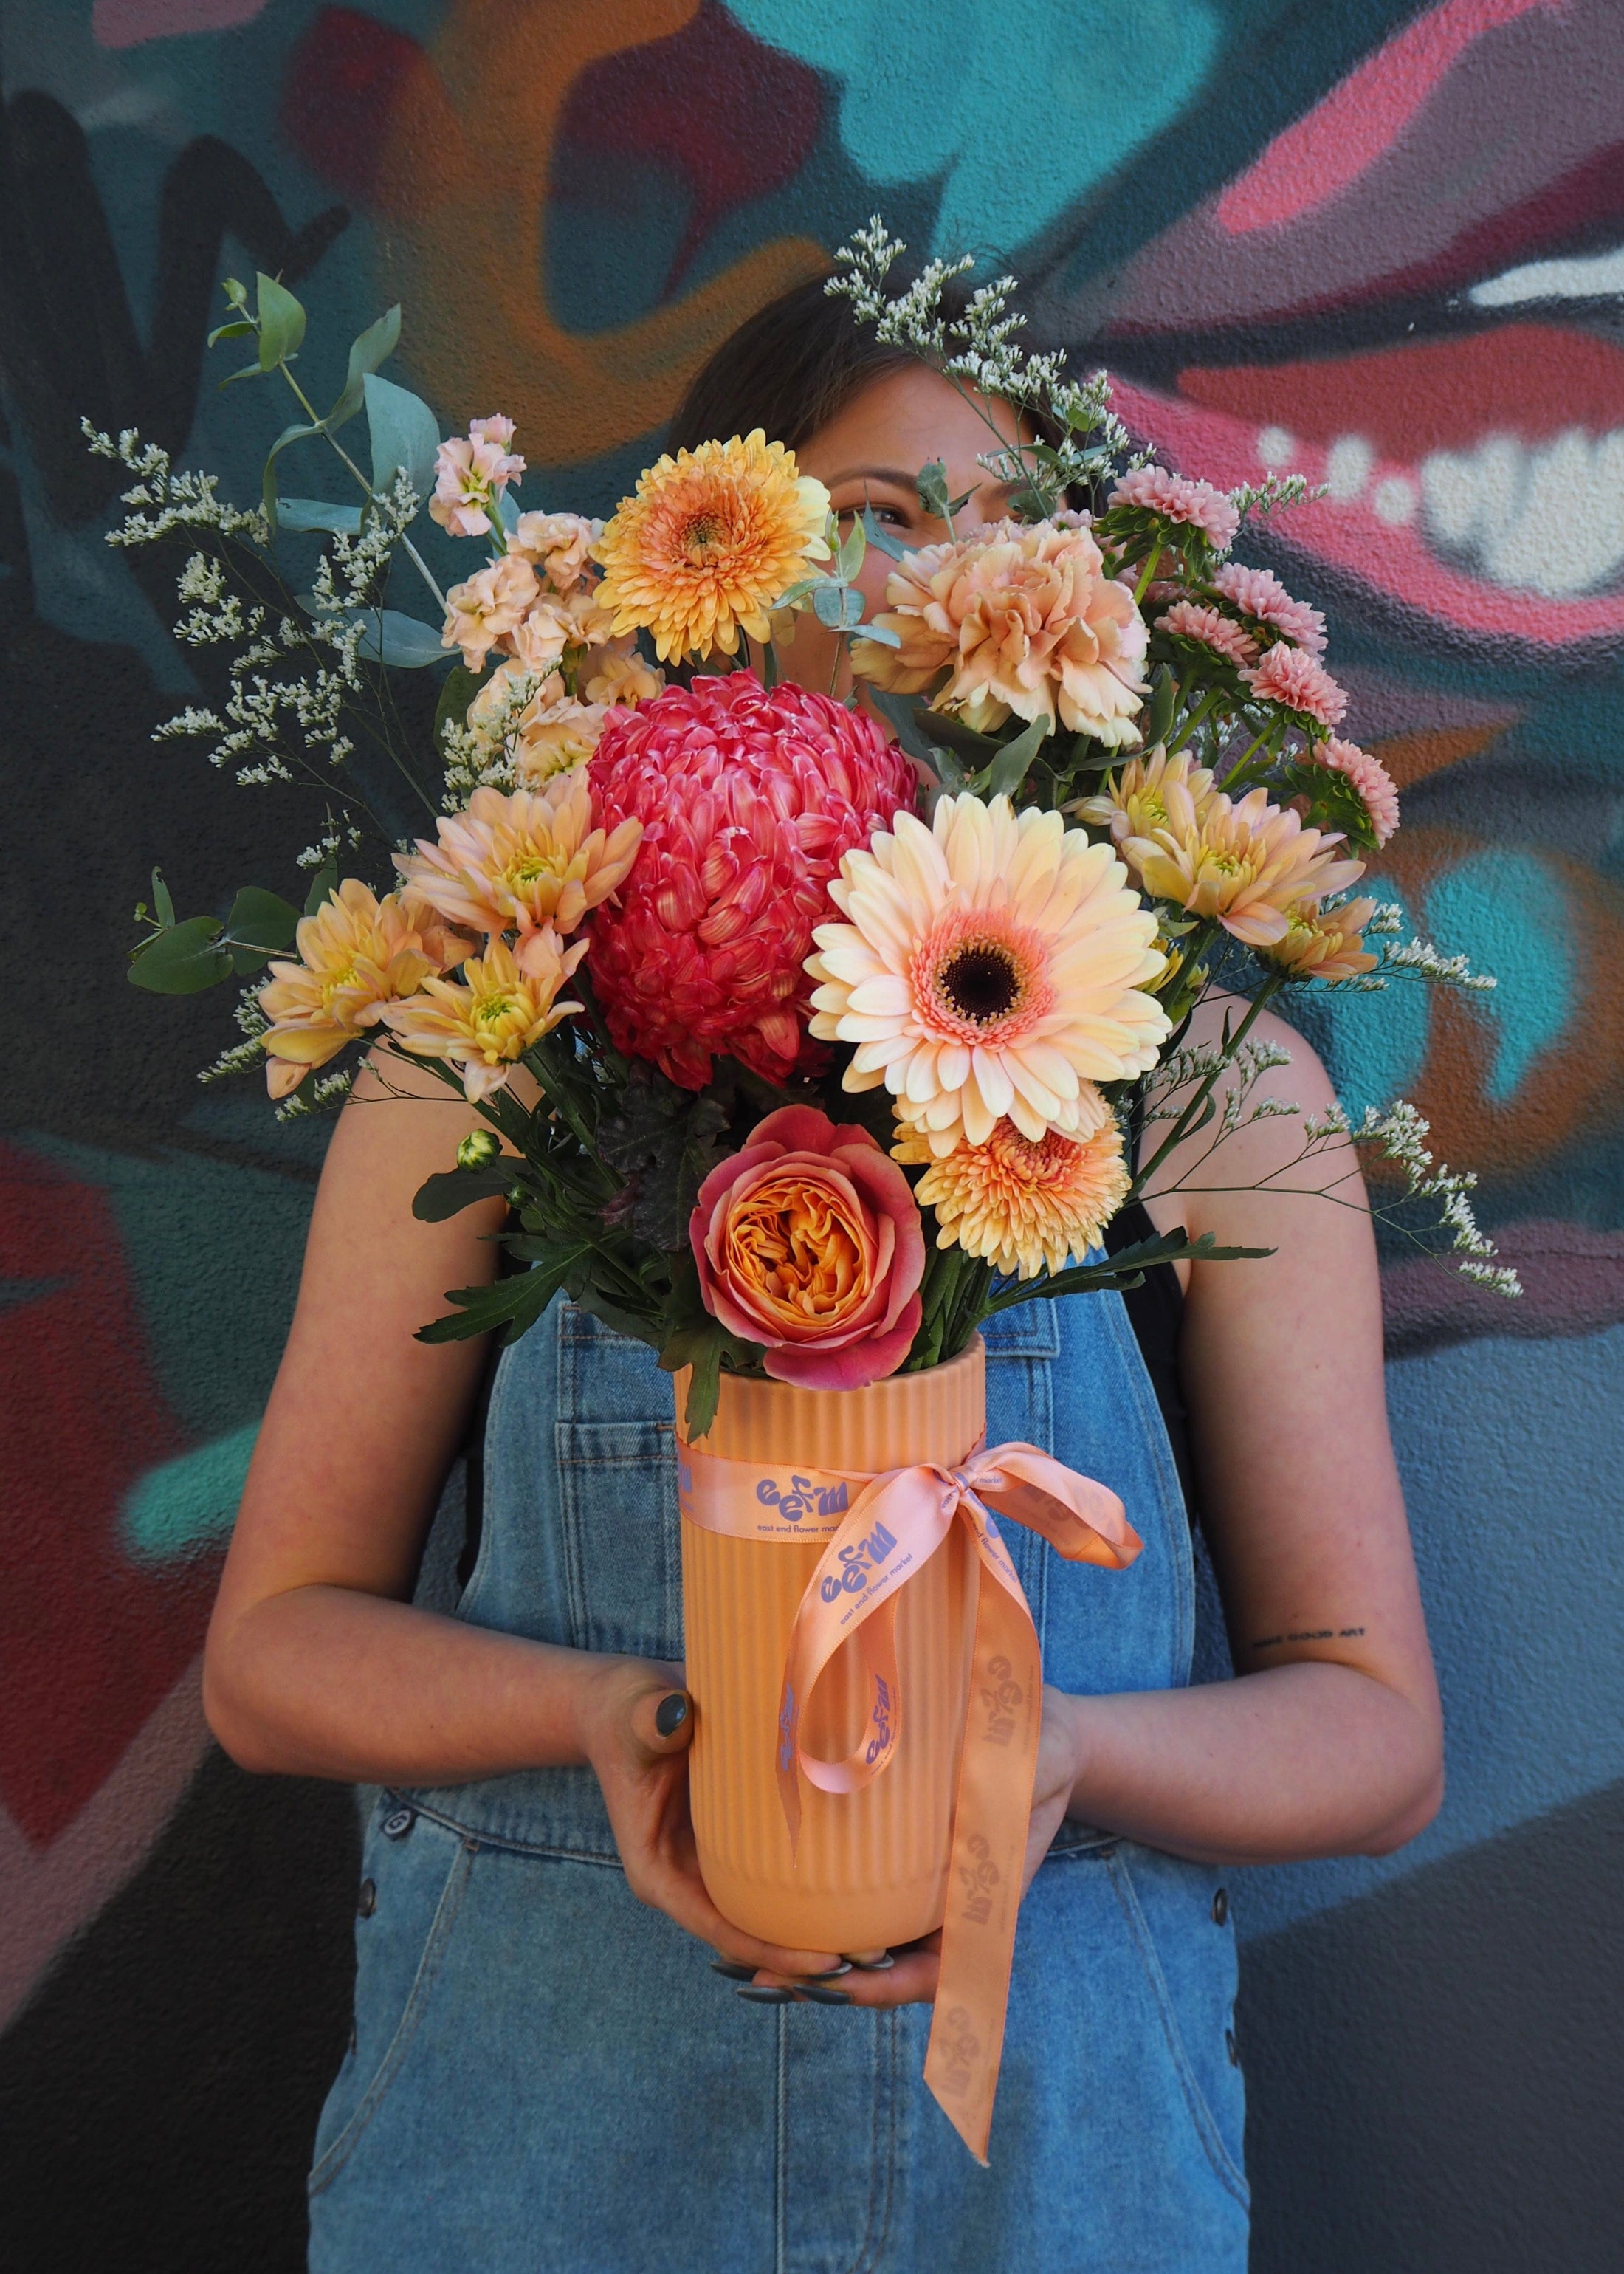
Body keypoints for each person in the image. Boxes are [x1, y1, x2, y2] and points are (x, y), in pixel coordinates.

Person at [204, 276, 1443, 2272]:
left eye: (1011, 532)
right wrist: (621, 1720)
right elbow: (271, 1656)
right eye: (874, 519)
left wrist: (1068, 1756)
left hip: (1053, 2165)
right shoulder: (496, 1051)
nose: (952, 585)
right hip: (535, 2141)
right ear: (720, 568)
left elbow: (1376, 1732)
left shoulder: (1215, 1089)